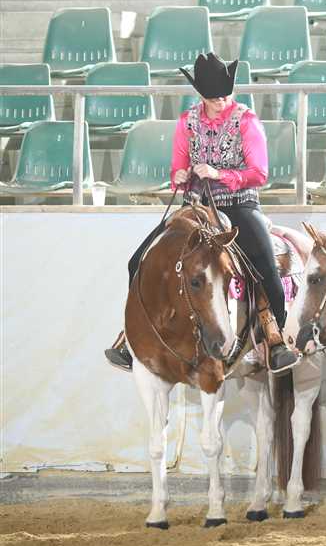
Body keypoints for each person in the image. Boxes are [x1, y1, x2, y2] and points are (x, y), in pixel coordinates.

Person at [105, 53, 300, 374]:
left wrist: (219, 174)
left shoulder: (247, 121)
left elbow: (259, 173)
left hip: (239, 203)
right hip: (196, 205)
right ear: (202, 96)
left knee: (264, 263)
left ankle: (275, 337)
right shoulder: (187, 122)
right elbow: (178, 167)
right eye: (214, 98)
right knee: (138, 261)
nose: (221, 102)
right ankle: (132, 335)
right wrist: (179, 176)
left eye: (225, 96)